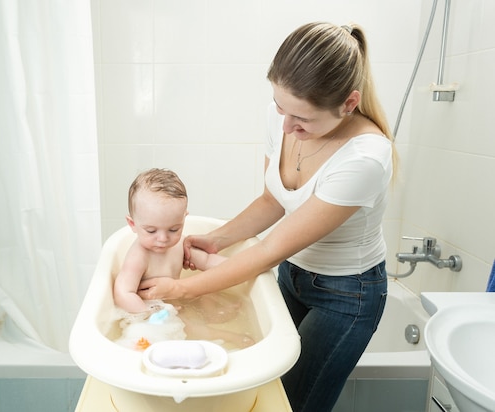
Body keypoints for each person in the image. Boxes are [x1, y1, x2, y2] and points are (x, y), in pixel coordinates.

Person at [138, 22, 395, 412]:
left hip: (347, 296)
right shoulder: (284, 116)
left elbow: (271, 248)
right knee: (265, 389)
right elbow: (272, 200)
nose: (287, 126)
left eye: (301, 120)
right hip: (291, 277)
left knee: (294, 403)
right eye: (280, 107)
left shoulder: (365, 158)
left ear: (348, 103)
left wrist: (185, 290)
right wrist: (217, 239)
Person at [113, 168, 253, 348]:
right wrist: (148, 312)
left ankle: (211, 313)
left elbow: (208, 262)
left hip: (177, 301)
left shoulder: (179, 245)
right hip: (155, 314)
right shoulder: (139, 256)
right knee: (189, 327)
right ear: (133, 224)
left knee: (207, 286)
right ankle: (225, 336)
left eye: (173, 229)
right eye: (151, 231)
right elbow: (123, 292)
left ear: (184, 218)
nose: (163, 239)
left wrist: (241, 266)